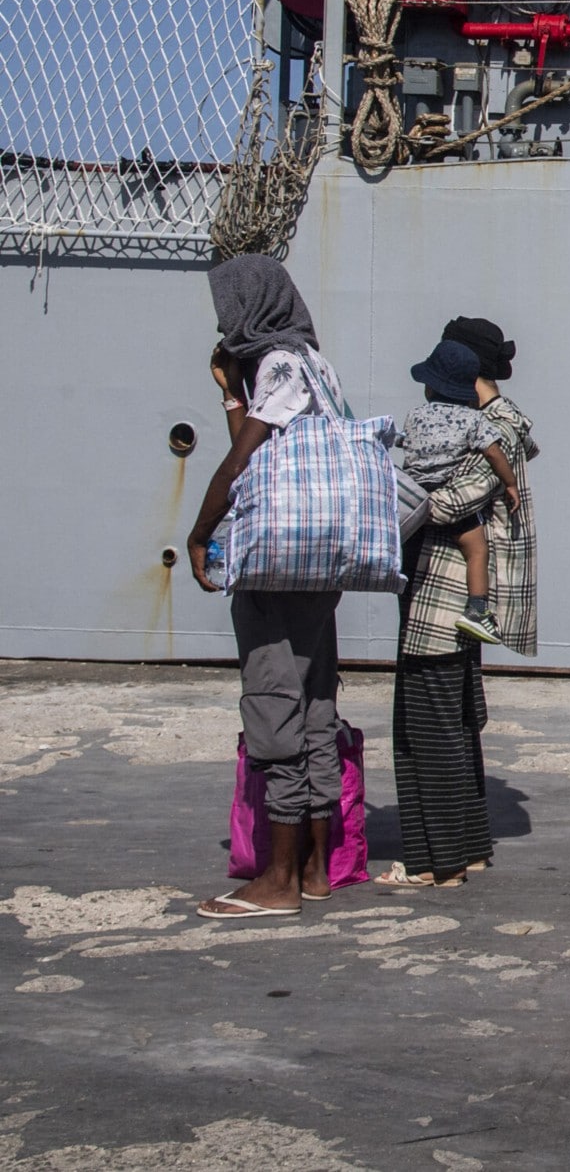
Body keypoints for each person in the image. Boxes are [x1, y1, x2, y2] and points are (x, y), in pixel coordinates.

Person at [185, 255, 350, 919]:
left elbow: (241, 462)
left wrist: (201, 533)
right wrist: (232, 390)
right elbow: (260, 440)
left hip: (278, 559)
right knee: (313, 702)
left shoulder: (279, 362)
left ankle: (277, 880)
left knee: (272, 699)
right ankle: (311, 867)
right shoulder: (316, 363)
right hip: (322, 557)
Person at [380, 316, 543, 888]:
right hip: (454, 598)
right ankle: (465, 848)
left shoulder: (492, 427)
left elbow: (446, 504)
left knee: (427, 726)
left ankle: (438, 861)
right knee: (452, 721)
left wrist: (394, 493)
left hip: (442, 598)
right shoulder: (487, 424)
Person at [398, 338, 519, 646]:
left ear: (428, 387)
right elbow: (493, 453)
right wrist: (510, 483)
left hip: (413, 497)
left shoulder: (414, 416)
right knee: (477, 551)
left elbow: (405, 445)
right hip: (450, 497)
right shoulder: (473, 419)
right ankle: (477, 611)